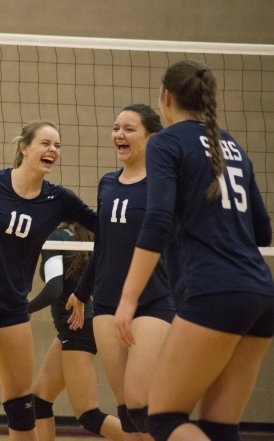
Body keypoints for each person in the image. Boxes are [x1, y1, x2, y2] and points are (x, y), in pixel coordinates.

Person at [114, 60, 274, 441]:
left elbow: (156, 223)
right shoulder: (230, 144)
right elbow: (263, 232)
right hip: (262, 292)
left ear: (165, 98)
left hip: (213, 291)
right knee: (219, 425)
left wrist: (128, 298)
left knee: (165, 418)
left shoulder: (166, 143)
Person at [0, 120, 97, 441]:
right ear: (24, 148)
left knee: (23, 406)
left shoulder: (58, 199)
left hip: (12, 305)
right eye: (46, 143)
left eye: (57, 146)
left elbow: (106, 228)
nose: (53, 150)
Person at [67, 104, 173, 441]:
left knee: (144, 405)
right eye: (116, 128)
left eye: (129, 128)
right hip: (107, 302)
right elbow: (104, 246)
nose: (119, 135)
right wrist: (81, 293)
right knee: (127, 413)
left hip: (153, 300)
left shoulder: (164, 184)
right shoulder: (107, 184)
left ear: (151, 138)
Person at [28, 223, 122, 441]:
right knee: (39, 401)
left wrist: (24, 309)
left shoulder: (57, 236)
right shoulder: (83, 239)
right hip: (77, 328)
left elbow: (54, 288)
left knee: (88, 415)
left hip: (77, 328)